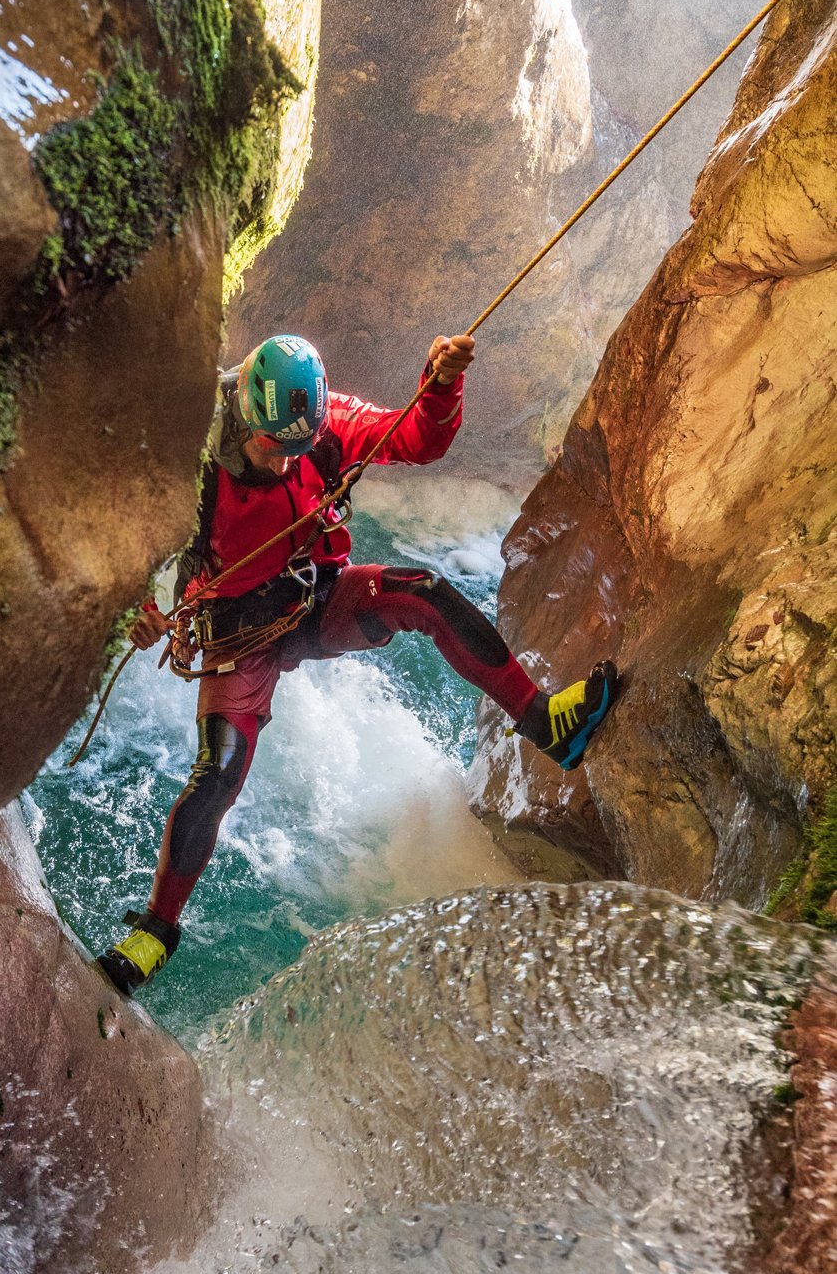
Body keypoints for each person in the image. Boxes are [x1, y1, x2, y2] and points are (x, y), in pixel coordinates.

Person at [97, 333, 618, 996]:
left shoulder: (324, 423)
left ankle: (548, 723)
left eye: (296, 450)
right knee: (218, 772)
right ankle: (154, 933)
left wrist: (441, 383)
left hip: (318, 597)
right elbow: (128, 533)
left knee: (424, 595)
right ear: (244, 419)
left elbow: (416, 441)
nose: (285, 464)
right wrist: (137, 608)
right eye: (270, 449)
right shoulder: (193, 458)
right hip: (238, 636)